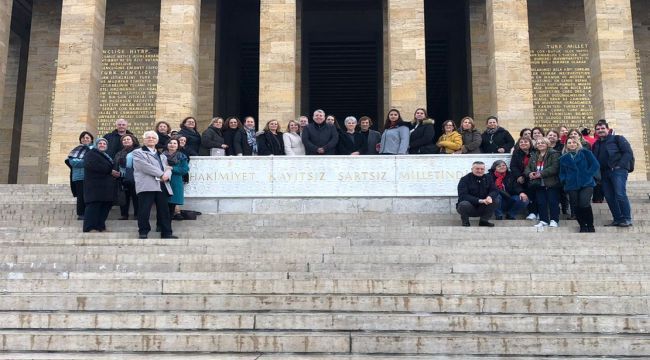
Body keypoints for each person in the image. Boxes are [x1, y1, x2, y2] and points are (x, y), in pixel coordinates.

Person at [132, 131, 176, 239]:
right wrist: (162, 174)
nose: (151, 139)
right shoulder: (138, 152)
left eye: (153, 138)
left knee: (164, 210)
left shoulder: (162, 155)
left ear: (156, 141)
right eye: (148, 137)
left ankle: (166, 233)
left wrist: (167, 174)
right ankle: (143, 232)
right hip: (147, 184)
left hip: (161, 184)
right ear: (144, 140)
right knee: (144, 210)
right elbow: (144, 166)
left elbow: (168, 168)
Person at [592, 120, 634, 227]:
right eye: (598, 129)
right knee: (609, 197)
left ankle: (627, 218)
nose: (600, 131)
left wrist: (620, 165)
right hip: (604, 173)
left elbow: (628, 153)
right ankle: (617, 219)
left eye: (602, 128)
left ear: (607, 129)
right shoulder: (596, 144)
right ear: (595, 131)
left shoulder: (618, 139)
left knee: (620, 193)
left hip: (617, 171)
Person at [559, 138, 600, 232]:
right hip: (571, 184)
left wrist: (587, 175)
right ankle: (582, 225)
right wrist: (564, 180)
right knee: (576, 205)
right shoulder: (563, 158)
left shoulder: (586, 153)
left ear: (578, 144)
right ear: (566, 145)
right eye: (569, 143)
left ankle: (590, 224)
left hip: (586, 183)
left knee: (584, 203)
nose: (572, 144)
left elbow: (595, 165)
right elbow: (562, 173)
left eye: (574, 142)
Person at [82, 138, 119, 233]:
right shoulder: (91, 154)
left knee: (104, 207)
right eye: (100, 143)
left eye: (104, 144)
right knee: (94, 207)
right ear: (96, 145)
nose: (102, 145)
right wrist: (110, 171)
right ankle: (89, 228)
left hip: (105, 187)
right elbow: (92, 165)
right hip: (94, 186)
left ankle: (100, 227)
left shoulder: (105, 156)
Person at [525, 137, 561, 228]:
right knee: (541, 202)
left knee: (553, 202)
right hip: (538, 183)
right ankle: (543, 220)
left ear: (547, 144)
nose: (540, 144)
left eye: (542, 143)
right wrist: (530, 174)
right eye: (538, 143)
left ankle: (554, 220)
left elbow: (554, 167)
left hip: (551, 182)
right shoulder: (534, 155)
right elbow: (527, 168)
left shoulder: (554, 153)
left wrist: (540, 174)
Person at [456, 161, 499, 227]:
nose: (479, 171)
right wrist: (480, 200)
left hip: (483, 206)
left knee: (495, 200)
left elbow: (494, 190)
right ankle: (465, 221)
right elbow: (463, 196)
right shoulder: (464, 179)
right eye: (477, 169)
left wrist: (490, 197)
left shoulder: (488, 178)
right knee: (463, 204)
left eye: (482, 169)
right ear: (472, 169)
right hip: (469, 207)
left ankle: (484, 221)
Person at [68, 131, 94, 220]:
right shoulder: (76, 150)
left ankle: (90, 213)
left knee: (91, 195)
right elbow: (73, 162)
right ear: (80, 140)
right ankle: (81, 213)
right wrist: (87, 161)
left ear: (91, 139)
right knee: (81, 196)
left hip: (92, 177)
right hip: (79, 177)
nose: (85, 139)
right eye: (83, 138)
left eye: (87, 137)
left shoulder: (95, 149)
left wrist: (85, 162)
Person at [510, 137, 538, 221]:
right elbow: (513, 166)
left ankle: (537, 212)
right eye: (521, 142)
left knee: (535, 194)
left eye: (526, 142)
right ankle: (531, 212)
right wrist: (518, 176)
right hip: (521, 178)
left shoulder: (535, 152)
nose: (523, 143)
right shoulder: (516, 153)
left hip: (534, 176)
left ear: (530, 143)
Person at [113, 134, 139, 220]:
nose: (126, 141)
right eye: (124, 140)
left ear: (133, 141)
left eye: (128, 139)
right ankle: (124, 214)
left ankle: (137, 214)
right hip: (122, 178)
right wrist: (115, 172)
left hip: (135, 178)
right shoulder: (119, 153)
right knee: (123, 196)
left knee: (136, 197)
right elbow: (115, 164)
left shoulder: (138, 151)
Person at [164, 138, 189, 221]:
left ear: (178, 146)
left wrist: (172, 168)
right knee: (162, 206)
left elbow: (184, 169)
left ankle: (168, 226)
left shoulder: (182, 156)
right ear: (167, 145)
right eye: (170, 143)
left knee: (171, 206)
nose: (172, 145)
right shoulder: (161, 155)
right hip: (163, 182)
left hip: (175, 182)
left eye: (175, 143)